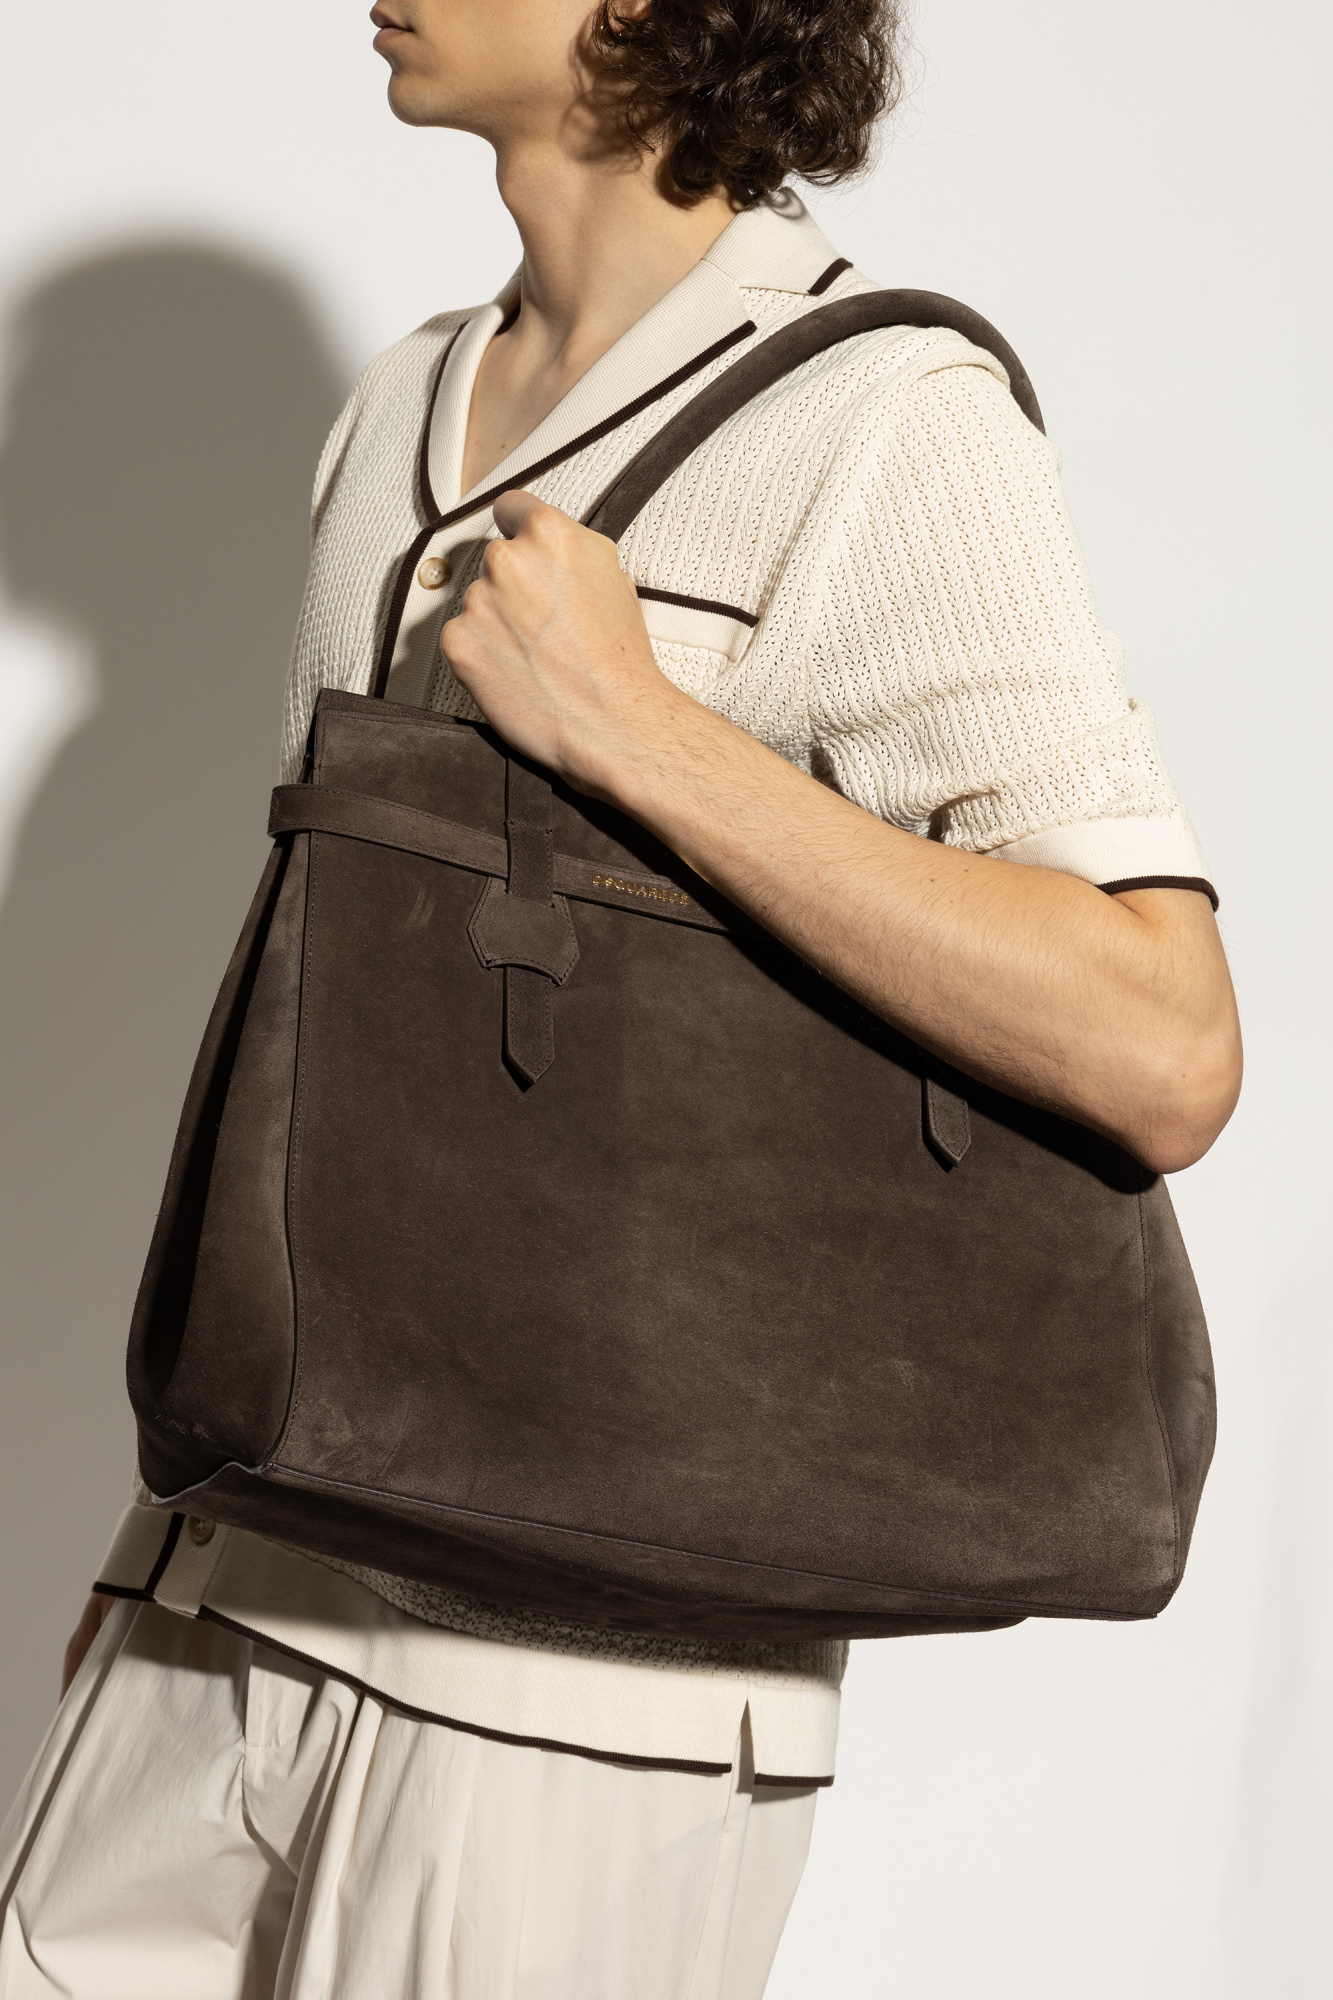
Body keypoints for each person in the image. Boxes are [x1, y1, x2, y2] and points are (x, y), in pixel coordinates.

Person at [0, 0, 1242, 1994]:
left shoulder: (885, 415)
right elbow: (327, 1036)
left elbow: (1163, 1039)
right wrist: (159, 1549)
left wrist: (641, 734)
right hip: (231, 1586)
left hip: (586, 1694)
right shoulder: (395, 405)